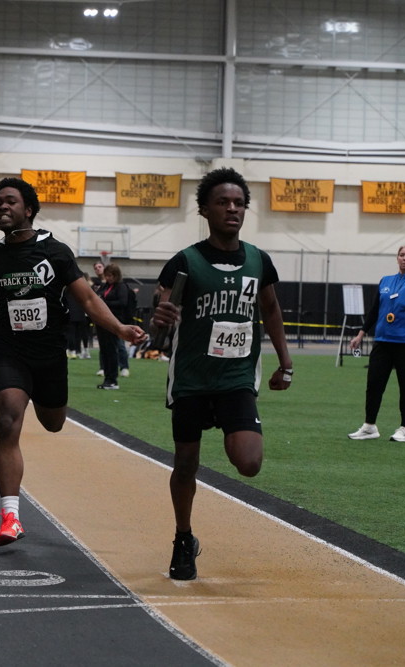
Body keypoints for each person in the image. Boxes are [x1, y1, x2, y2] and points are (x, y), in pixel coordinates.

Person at [0, 177, 145, 547]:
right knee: (7, 421)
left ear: (29, 209)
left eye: (10, 201)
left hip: (50, 355)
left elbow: (87, 299)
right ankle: (10, 516)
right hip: (10, 352)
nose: (2, 207)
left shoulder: (55, 252)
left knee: (53, 423)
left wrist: (120, 329)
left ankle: (45, 402)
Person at [150, 167, 293, 581]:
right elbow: (161, 318)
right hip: (192, 378)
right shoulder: (185, 262)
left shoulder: (258, 261)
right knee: (186, 462)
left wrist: (285, 362)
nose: (232, 209)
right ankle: (183, 537)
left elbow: (271, 310)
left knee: (249, 462)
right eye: (223, 202)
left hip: (236, 378)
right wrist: (159, 317)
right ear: (204, 210)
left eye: (239, 203)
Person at [347, 244, 405, 443]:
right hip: (383, 342)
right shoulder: (385, 281)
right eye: (401, 255)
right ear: (397, 258)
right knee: (374, 385)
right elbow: (374, 310)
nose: (404, 258)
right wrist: (361, 334)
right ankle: (369, 426)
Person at [96, 262, 134, 389]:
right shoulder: (105, 286)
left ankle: (112, 379)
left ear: (116, 275)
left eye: (110, 275)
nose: (107, 278)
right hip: (102, 321)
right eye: (106, 275)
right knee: (105, 350)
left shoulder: (121, 287)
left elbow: (122, 302)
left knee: (112, 350)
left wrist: (105, 303)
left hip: (114, 321)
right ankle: (107, 378)